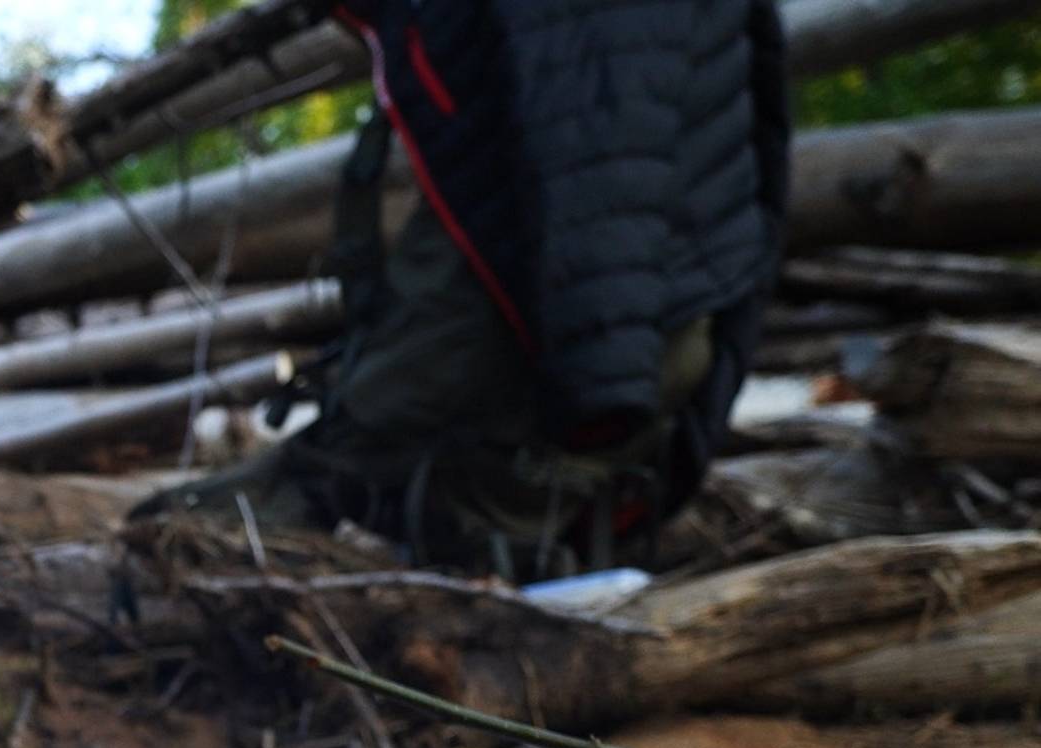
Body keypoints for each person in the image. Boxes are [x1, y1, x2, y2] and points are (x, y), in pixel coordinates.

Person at [145, 0, 788, 579]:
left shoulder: (583, 39)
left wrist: (601, 402)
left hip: (583, 411)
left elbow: (606, 185)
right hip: (594, 370)